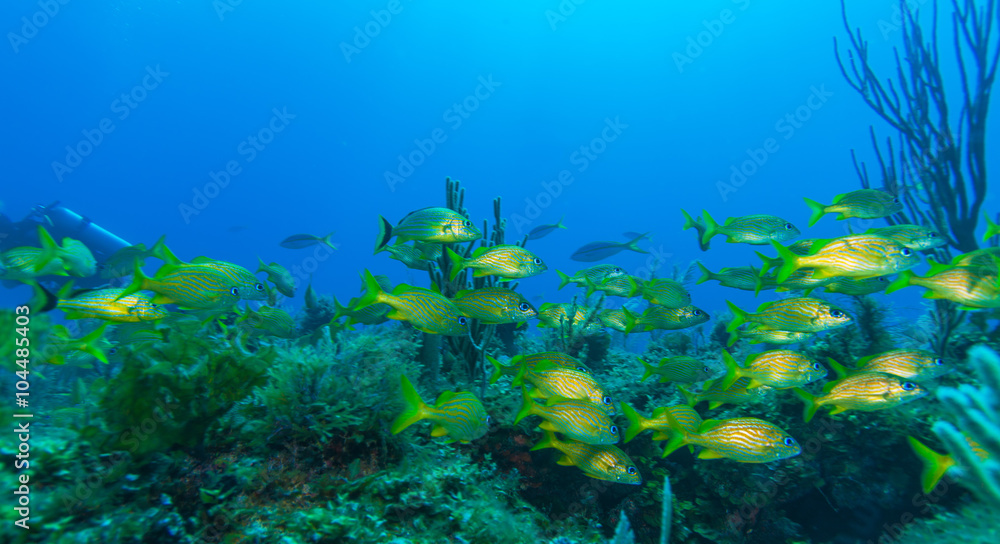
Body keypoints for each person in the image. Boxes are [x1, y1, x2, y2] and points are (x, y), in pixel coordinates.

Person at [0, 201, 132, 289]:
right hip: (85, 284)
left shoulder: (30, 235)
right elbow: (10, 281)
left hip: (97, 276)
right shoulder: (20, 237)